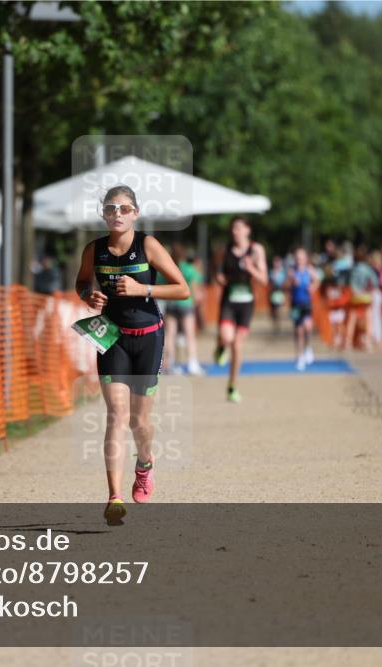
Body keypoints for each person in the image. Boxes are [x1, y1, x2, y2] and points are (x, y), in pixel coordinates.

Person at [75, 185, 190, 526]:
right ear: (103, 214)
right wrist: (89, 296)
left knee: (139, 421)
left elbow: (183, 289)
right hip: (111, 337)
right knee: (116, 415)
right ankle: (114, 498)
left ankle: (145, 463)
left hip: (148, 338)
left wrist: (144, 289)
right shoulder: (94, 250)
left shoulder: (148, 245)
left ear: (135, 213)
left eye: (124, 209)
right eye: (111, 208)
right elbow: (82, 283)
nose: (117, 214)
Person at [213, 216, 267, 403]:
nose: (235, 231)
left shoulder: (256, 250)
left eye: (239, 228)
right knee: (227, 337)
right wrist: (219, 277)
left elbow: (264, 280)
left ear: (247, 230)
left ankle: (232, 386)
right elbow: (217, 270)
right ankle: (221, 346)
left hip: (246, 303)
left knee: (237, 345)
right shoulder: (224, 249)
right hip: (228, 300)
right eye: (233, 228)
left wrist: (251, 268)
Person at [157, 244, 205, 375]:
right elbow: (194, 288)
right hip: (186, 304)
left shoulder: (167, 268)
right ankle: (192, 363)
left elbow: (160, 284)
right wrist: (195, 303)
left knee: (170, 335)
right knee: (189, 334)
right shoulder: (189, 269)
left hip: (171, 304)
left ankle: (170, 363)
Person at [286, 247, 319, 371]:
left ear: (306, 259)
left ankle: (308, 348)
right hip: (295, 304)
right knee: (298, 331)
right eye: (297, 258)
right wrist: (291, 282)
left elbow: (317, 281)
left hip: (306, 303)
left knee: (308, 326)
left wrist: (312, 287)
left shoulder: (309, 270)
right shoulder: (291, 271)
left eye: (301, 258)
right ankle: (299, 356)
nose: (299, 260)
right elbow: (285, 286)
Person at [268, 255, 287, 334]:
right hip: (273, 293)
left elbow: (284, 283)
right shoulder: (271, 272)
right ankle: (275, 323)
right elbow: (269, 282)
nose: (276, 264)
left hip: (280, 292)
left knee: (278, 309)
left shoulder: (283, 273)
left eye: (277, 262)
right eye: (275, 262)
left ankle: (278, 324)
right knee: (273, 310)